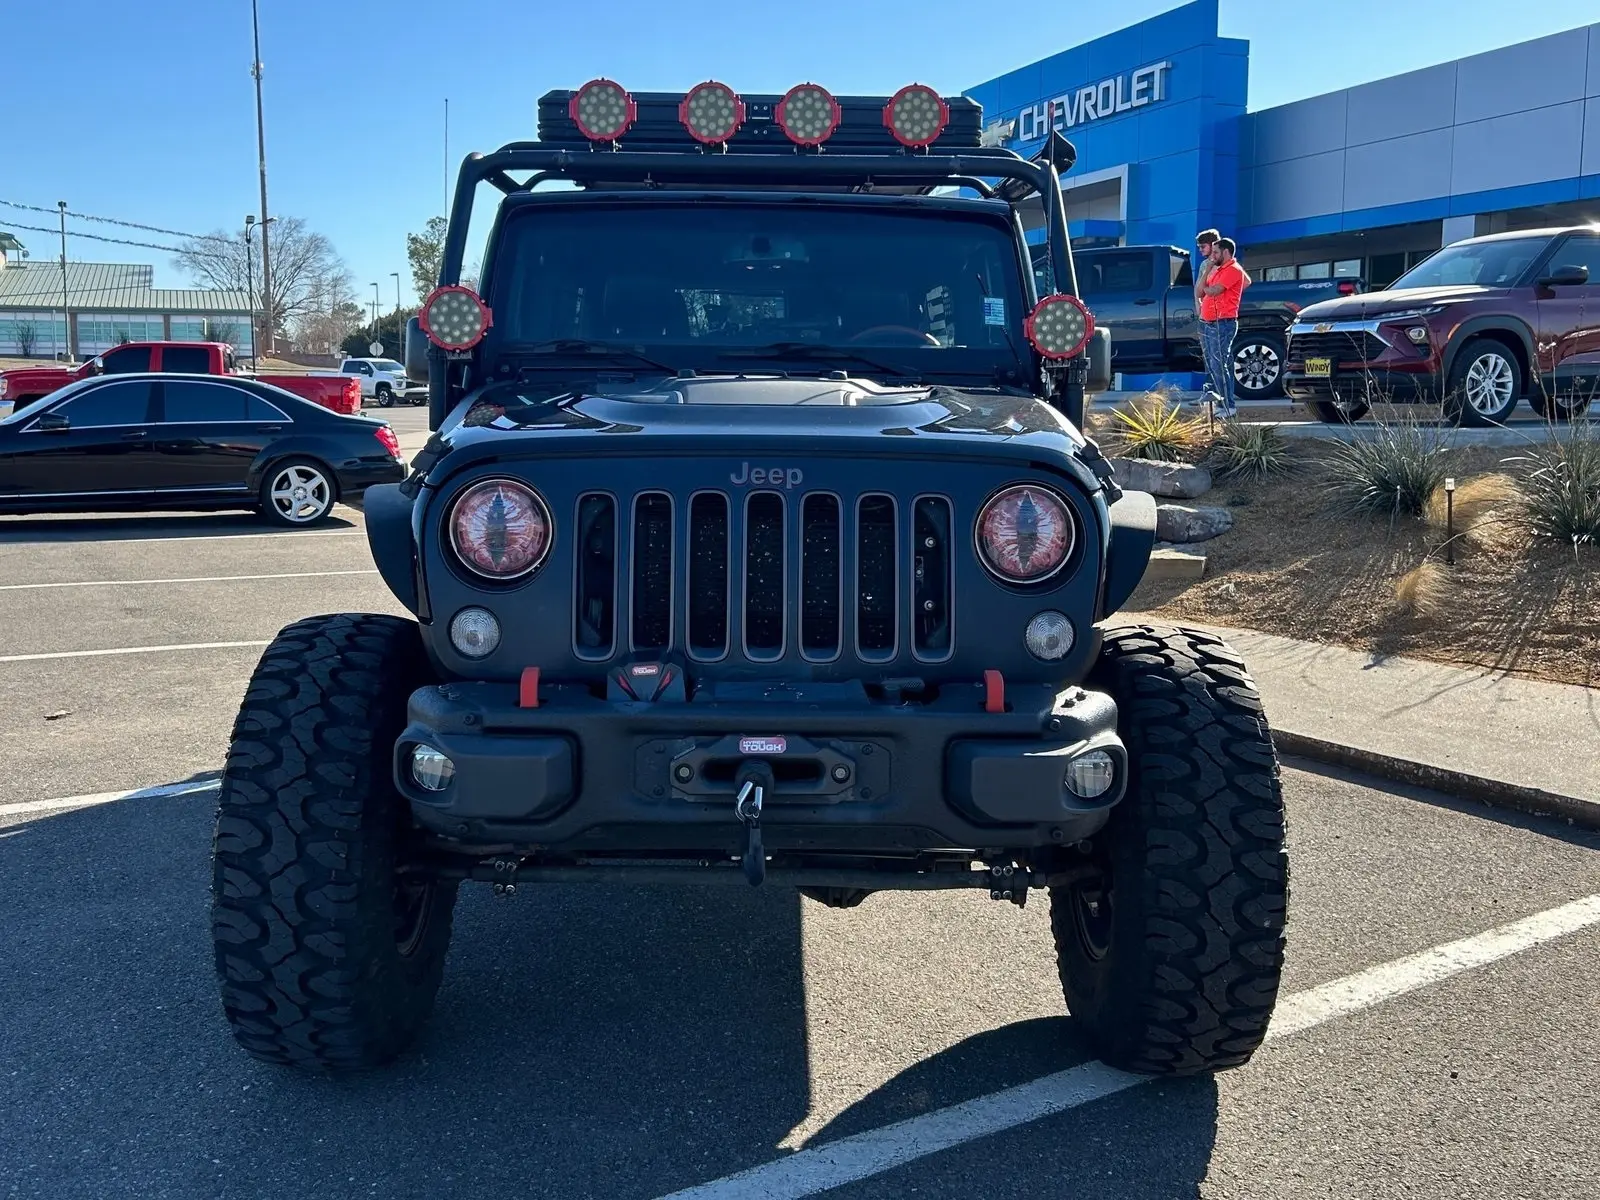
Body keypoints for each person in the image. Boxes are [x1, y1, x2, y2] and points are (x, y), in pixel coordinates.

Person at [1199, 236, 1249, 417]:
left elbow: (1212, 291)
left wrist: (1205, 285)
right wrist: (1207, 272)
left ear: (1226, 252)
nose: (1212, 256)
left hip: (1223, 323)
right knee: (1215, 364)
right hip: (1208, 322)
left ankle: (1227, 406)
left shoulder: (1234, 270)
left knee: (1218, 364)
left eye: (1216, 252)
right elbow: (1200, 291)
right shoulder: (1217, 270)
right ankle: (1221, 404)